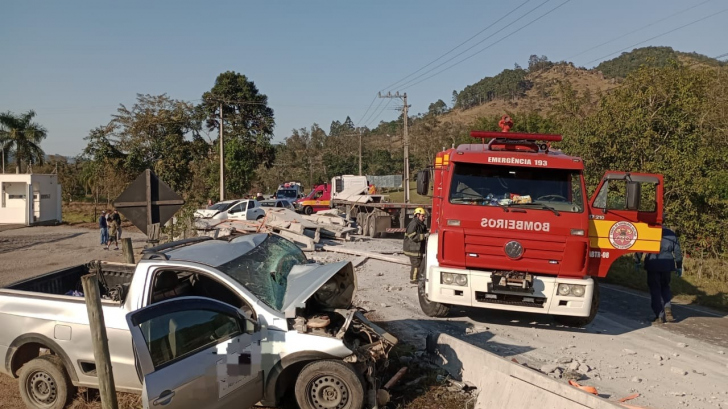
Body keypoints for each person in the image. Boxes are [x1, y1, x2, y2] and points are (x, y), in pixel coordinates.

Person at [635, 226, 683, 325]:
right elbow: (677, 251)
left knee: (655, 289)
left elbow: (640, 248)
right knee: (665, 286)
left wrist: (637, 261)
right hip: (667, 265)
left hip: (653, 264)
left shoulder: (648, 232)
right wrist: (678, 266)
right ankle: (668, 308)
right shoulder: (671, 234)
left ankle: (659, 316)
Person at [403, 207, 429, 284]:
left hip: (417, 249)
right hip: (413, 249)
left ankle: (418, 278)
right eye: (422, 216)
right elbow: (412, 236)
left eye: (424, 216)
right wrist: (424, 236)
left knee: (419, 264)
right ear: (417, 215)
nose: (424, 218)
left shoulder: (420, 224)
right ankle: (413, 279)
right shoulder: (414, 224)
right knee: (416, 265)